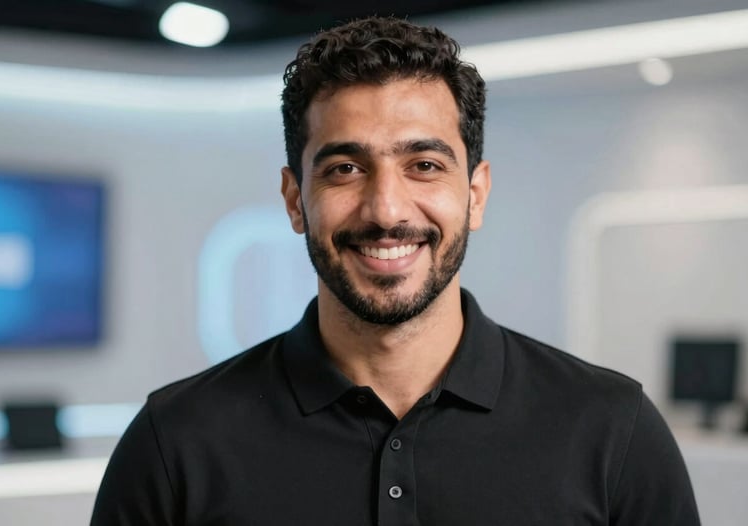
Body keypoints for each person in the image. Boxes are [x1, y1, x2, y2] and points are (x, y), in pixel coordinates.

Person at [91, 16, 700, 525]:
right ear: (295, 199)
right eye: (344, 169)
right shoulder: (172, 444)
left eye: (426, 165)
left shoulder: (614, 432)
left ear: (476, 194)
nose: (385, 210)